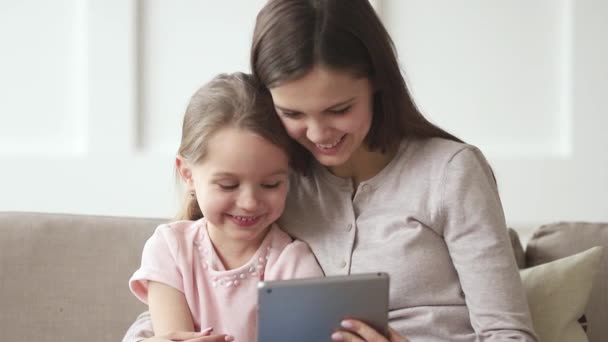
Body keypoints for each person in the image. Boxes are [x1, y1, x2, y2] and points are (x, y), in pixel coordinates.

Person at [124, 0, 538, 341]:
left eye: (339, 109)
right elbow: (193, 293)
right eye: (292, 113)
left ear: (377, 83)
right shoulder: (276, 182)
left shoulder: (450, 173)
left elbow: (510, 334)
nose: (319, 134)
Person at [125, 72, 323, 342]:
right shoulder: (170, 248)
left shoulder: (292, 263)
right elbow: (174, 335)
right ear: (188, 174)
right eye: (228, 185)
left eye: (270, 185)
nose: (250, 202)